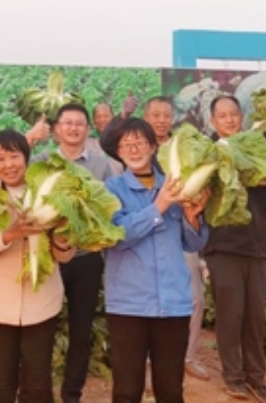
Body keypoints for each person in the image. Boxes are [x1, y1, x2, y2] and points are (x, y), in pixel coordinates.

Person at [102, 118, 210, 403]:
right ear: (118, 152)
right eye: (125, 145)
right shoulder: (111, 189)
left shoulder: (177, 187)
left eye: (140, 142)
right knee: (127, 390)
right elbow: (117, 236)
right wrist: (159, 206)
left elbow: (194, 242)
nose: (133, 149)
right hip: (128, 304)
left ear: (154, 146)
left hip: (173, 303)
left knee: (171, 390)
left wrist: (192, 218)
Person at [0, 129, 76, 403]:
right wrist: (10, 234)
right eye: (0, 158)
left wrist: (63, 236)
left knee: (38, 383)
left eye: (14, 156)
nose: (8, 165)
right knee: (2, 385)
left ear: (26, 158)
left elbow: (64, 256)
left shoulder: (48, 195)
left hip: (42, 303)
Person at [201, 96, 266, 403]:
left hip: (257, 244)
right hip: (222, 245)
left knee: (254, 315)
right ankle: (233, 376)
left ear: (241, 117)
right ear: (213, 122)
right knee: (230, 313)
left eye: (233, 114)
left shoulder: (256, 147)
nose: (228, 120)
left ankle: (256, 377)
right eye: (222, 115)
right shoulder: (209, 153)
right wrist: (262, 156)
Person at [33, 104, 117, 403]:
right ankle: (37, 392)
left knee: (81, 332)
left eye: (79, 123)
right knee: (41, 330)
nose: (73, 128)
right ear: (56, 129)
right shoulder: (41, 161)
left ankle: (72, 394)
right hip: (47, 256)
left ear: (87, 129)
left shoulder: (101, 165)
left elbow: (109, 207)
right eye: (67, 123)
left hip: (86, 259)